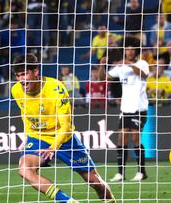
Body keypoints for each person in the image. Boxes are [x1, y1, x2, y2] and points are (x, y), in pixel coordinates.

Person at [11, 53, 115, 202]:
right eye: (18, 75)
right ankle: (67, 201)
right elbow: (25, 114)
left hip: (64, 138)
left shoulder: (56, 88)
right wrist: (27, 136)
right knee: (24, 170)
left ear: (35, 72)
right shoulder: (16, 90)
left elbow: (66, 125)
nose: (21, 80)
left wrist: (54, 146)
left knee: (94, 181)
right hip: (39, 137)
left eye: (24, 74)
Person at [98, 36, 149, 182]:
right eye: (127, 48)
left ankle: (141, 171)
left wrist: (127, 63)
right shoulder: (120, 67)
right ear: (124, 50)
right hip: (125, 108)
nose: (130, 51)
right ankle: (120, 173)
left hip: (139, 107)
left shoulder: (142, 63)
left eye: (132, 48)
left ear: (136, 50)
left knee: (135, 137)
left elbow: (144, 74)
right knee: (121, 139)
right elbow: (104, 78)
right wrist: (102, 65)